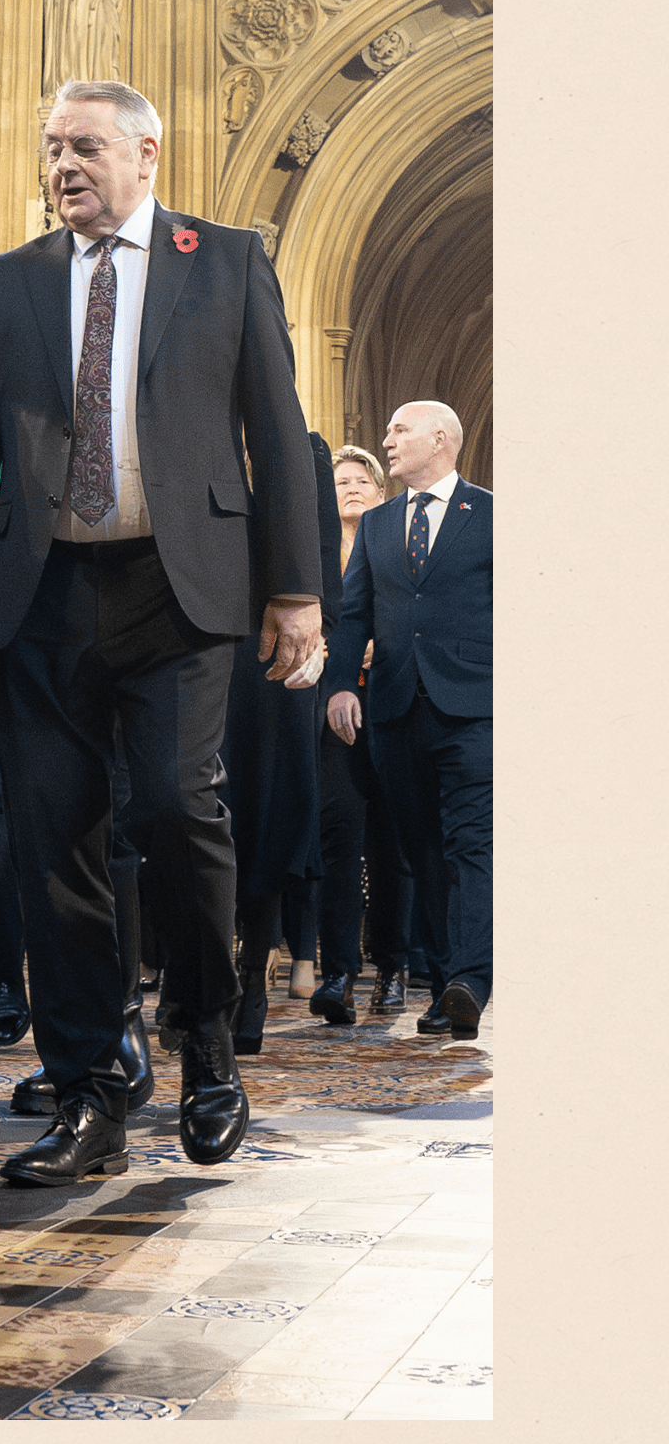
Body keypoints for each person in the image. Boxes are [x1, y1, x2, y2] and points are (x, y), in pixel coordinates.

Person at [0, 78, 322, 1187]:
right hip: (41, 594)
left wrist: (297, 590)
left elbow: (280, 435)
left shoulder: (225, 259)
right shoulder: (8, 283)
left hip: (178, 587)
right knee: (52, 843)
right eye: (52, 148)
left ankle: (206, 1046)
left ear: (148, 152)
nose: (63, 167)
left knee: (180, 808)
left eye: (86, 147)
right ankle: (92, 1085)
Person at [326, 401, 491, 1040]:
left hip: (475, 707)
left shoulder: (494, 515)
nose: (387, 441)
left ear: (441, 439)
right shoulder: (379, 525)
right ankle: (446, 985)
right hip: (395, 708)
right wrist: (342, 686)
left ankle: (471, 980)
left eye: (400, 430)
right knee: (423, 850)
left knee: (471, 845)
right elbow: (357, 611)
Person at [219, 433, 340, 1051]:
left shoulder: (303, 451)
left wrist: (323, 647)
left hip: (279, 657)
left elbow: (321, 562)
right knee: (205, 811)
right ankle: (210, 977)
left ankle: (252, 977)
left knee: (269, 816)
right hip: (203, 645)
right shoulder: (189, 427)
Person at [314, 444, 415, 1021]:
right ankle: (338, 973)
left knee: (391, 841)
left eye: (361, 480)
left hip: (393, 700)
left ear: (381, 493)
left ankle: (393, 969)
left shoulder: (400, 546)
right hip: (337, 706)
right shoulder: (320, 558)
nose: (350, 487)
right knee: (339, 835)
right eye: (340, 481)